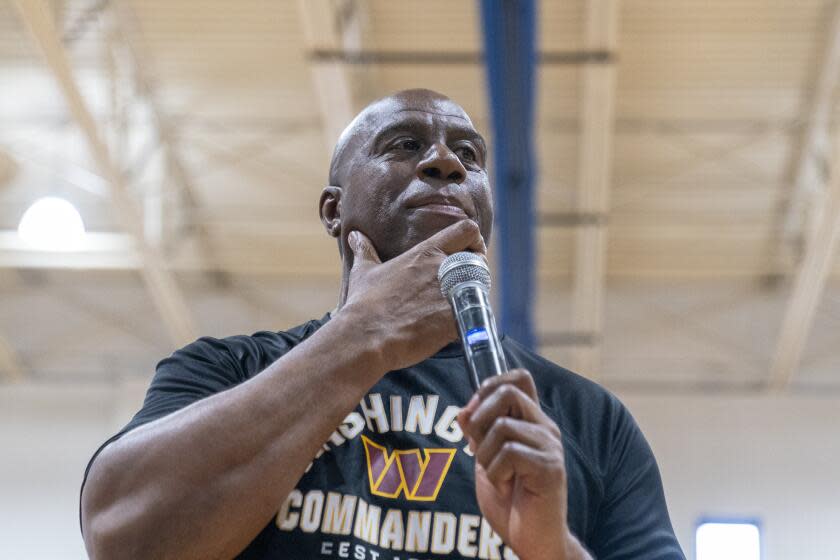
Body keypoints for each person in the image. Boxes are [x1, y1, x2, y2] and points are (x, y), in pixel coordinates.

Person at [80, 89, 685, 560]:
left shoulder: (584, 419)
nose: (446, 161)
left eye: (469, 155)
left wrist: (553, 549)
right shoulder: (228, 371)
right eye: (402, 144)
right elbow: (120, 537)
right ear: (333, 208)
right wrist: (360, 337)